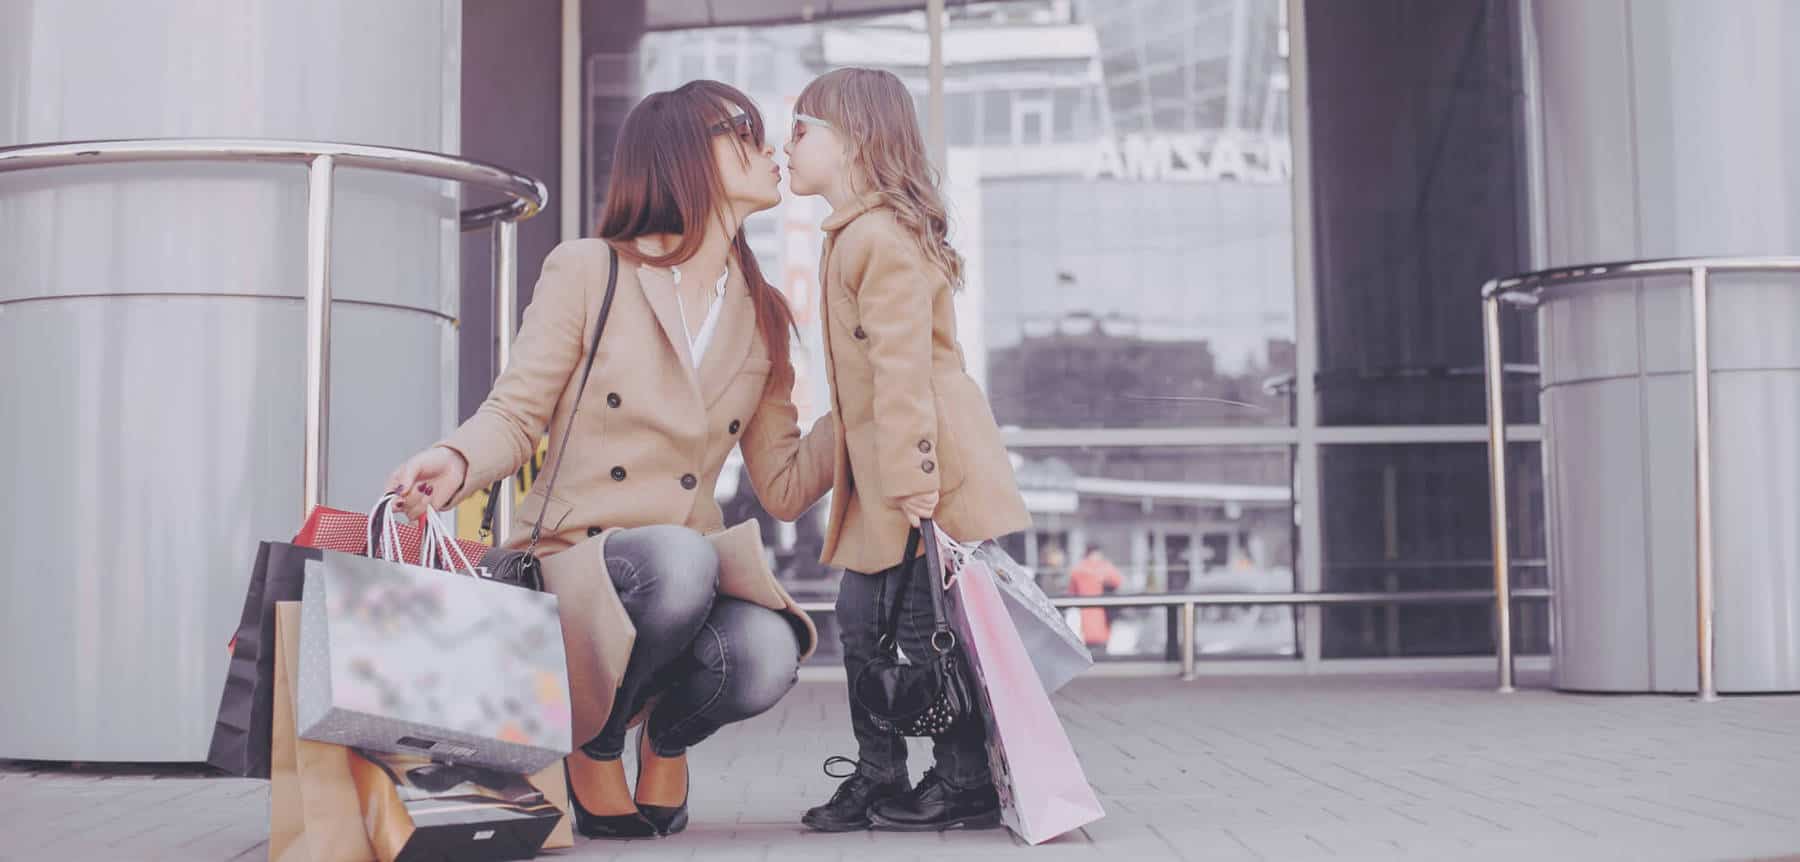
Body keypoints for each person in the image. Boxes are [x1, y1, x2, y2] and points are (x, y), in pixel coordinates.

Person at [384, 80, 836, 841]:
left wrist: (860, 406)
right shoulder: (591, 269)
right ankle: (593, 745)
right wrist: (455, 460)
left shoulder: (762, 315)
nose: (770, 150)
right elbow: (517, 411)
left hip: (680, 571)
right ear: (684, 153)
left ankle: (664, 740)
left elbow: (784, 486)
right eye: (744, 132)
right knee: (678, 561)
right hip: (576, 565)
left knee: (763, 651)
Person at [782, 67, 1032, 833]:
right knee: (866, 622)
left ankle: (960, 781)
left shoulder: (879, 237)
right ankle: (883, 773)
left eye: (800, 131)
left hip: (924, 469)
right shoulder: (856, 233)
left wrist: (915, 481)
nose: (784, 147)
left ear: (852, 139)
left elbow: (902, 372)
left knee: (928, 633)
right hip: (895, 464)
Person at [1068, 548, 1125, 652]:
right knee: (1099, 641)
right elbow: (1117, 581)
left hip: (1083, 608)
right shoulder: (1103, 567)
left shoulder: (1078, 569)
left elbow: (1072, 590)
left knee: (1087, 639)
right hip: (1100, 609)